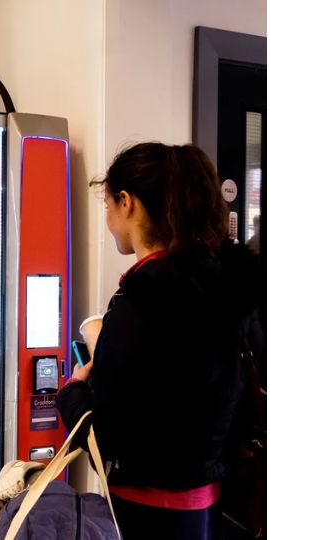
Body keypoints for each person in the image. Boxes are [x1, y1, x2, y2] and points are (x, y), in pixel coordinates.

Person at [56, 142, 262, 540]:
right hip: (212, 501)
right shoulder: (227, 290)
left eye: (108, 206)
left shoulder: (139, 303)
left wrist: (73, 393)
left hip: (147, 510)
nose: (108, 218)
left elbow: (111, 440)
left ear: (127, 203)